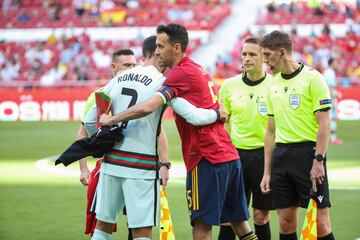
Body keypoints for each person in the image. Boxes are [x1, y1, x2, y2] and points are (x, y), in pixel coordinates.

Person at [99, 23, 258, 240]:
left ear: (176, 48)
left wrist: (112, 119)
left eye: (161, 46)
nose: (156, 51)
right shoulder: (197, 69)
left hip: (205, 158)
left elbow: (148, 106)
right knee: (241, 226)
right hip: (228, 157)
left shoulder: (179, 74)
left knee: (201, 231)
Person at [88, 35, 224, 240]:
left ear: (144, 54)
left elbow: (90, 119)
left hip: (111, 162)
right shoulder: (162, 82)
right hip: (140, 166)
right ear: (159, 53)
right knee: (142, 231)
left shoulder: (117, 78)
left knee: (103, 226)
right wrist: (217, 114)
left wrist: (99, 142)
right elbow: (194, 116)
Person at [259, 30, 334, 240]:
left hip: (308, 155)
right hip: (281, 156)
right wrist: (267, 172)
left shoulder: (313, 78)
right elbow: (270, 131)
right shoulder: (272, 84)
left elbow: (324, 124)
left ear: (282, 52)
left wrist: (319, 160)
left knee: (320, 223)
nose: (266, 62)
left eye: (268, 55)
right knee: (285, 223)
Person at [78, 48, 137, 239]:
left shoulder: (142, 92)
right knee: (102, 223)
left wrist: (164, 162)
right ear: (114, 67)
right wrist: (84, 169)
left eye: (134, 65)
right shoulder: (100, 95)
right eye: (127, 65)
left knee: (136, 223)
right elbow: (83, 133)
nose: (132, 69)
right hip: (108, 168)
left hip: (137, 165)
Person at [218, 37, 273, 240]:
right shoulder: (229, 85)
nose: (247, 58)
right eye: (244, 54)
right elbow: (222, 122)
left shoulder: (274, 85)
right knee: (228, 217)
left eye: (252, 54)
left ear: (263, 58)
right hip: (235, 157)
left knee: (260, 217)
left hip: (264, 157)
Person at [323, 58, 342, 145]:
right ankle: (332, 139)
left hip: (325, 97)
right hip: (328, 98)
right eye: (336, 62)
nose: (337, 64)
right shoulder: (330, 73)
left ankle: (330, 138)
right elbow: (330, 88)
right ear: (332, 63)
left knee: (328, 119)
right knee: (331, 118)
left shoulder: (327, 72)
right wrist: (332, 101)